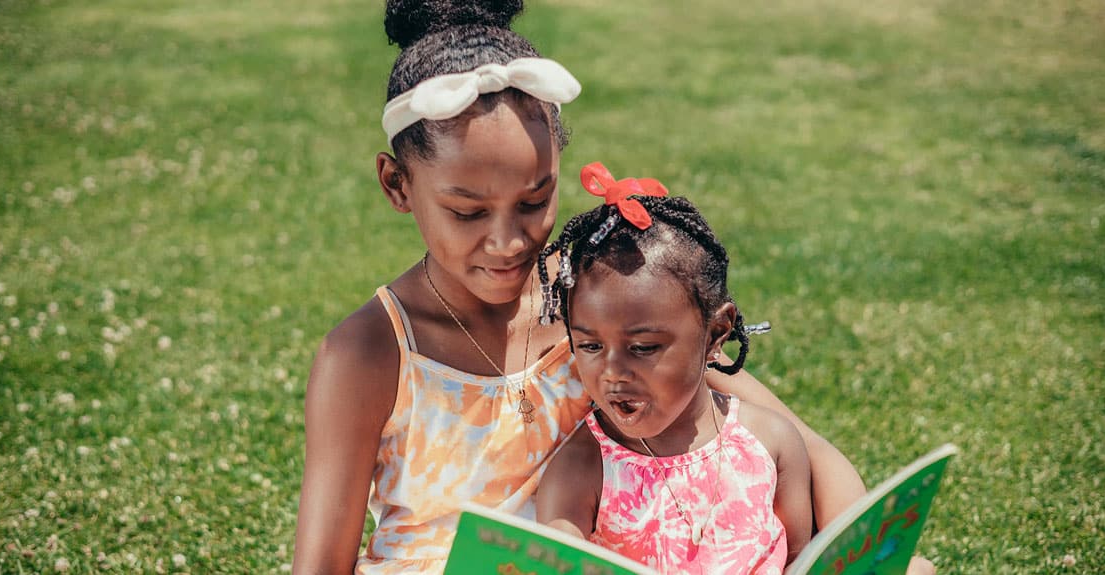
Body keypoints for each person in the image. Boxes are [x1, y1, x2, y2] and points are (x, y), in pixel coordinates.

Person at [292, 1, 935, 574]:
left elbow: (807, 449)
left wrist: (865, 554)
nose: (509, 241)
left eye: (535, 200)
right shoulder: (368, 353)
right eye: (468, 212)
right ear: (396, 184)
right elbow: (321, 565)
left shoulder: (593, 300)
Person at [535, 163, 812, 574]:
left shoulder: (769, 442)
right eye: (590, 345)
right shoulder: (582, 468)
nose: (612, 370)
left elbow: (800, 559)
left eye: (643, 347)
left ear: (717, 333)